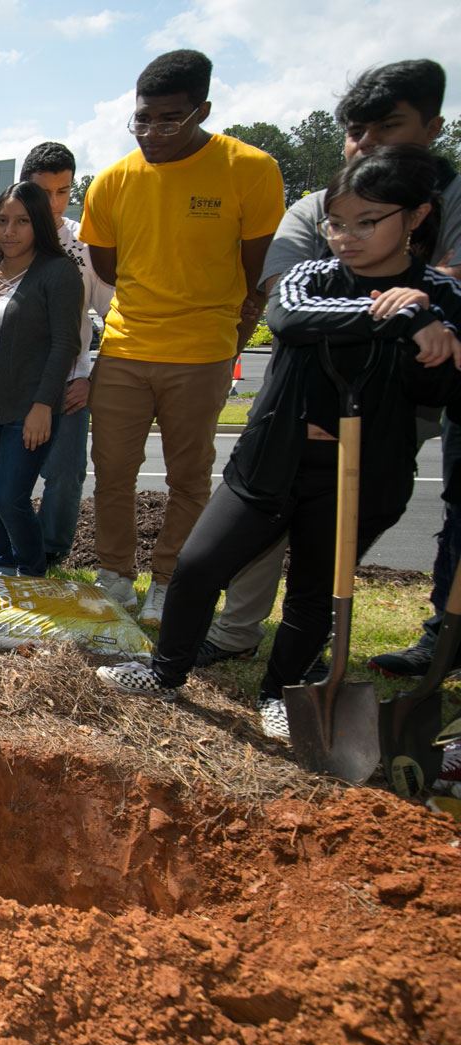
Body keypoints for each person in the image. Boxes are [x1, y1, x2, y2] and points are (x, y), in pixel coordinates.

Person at [96, 145, 461, 740]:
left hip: (365, 470)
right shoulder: (311, 277)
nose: (346, 237)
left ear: (416, 217)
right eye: (336, 223)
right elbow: (291, 320)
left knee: (316, 592)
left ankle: (278, 693)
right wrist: (395, 319)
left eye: (367, 223)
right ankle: (166, 672)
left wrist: (432, 334)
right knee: (198, 564)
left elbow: (437, 385)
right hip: (272, 459)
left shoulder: (440, 298)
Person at [192, 60, 461, 675]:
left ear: (433, 126)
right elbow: (289, 300)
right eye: (355, 130)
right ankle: (237, 629)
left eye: (386, 126)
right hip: (294, 405)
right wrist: (399, 311)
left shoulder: (452, 200)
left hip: (396, 408)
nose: (366, 143)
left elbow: (445, 302)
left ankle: (300, 660)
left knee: (334, 546)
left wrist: (421, 308)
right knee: (257, 527)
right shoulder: (315, 206)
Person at [81, 49, 284, 623]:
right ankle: (115, 575)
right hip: (124, 348)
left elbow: (256, 271)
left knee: (189, 478)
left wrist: (232, 331)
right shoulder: (114, 180)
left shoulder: (250, 169)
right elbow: (110, 268)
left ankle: (171, 580)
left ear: (203, 110)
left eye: (169, 120)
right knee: (112, 472)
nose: (152, 132)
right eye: (142, 119)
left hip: (202, 353)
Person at [0, 142, 113, 566]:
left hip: (59, 387)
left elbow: (107, 316)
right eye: (40, 191)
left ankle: (43, 559)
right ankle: (7, 563)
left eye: (62, 192)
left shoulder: (81, 248)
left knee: (61, 478)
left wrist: (90, 377)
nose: (52, 203)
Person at [0, 181, 84, 576]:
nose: (9, 231)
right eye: (1, 221)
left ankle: (32, 572)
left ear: (39, 225)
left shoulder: (58, 273)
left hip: (30, 403)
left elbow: (66, 345)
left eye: (22, 221)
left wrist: (44, 406)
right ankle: (3, 567)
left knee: (10, 497)